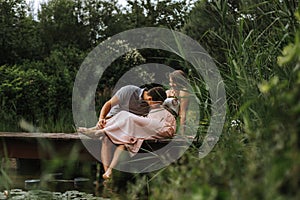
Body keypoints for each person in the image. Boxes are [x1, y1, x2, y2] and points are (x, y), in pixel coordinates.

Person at [80, 87, 177, 179]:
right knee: (124, 136)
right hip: (147, 128)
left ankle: (101, 131)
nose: (148, 104)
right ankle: (108, 172)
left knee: (127, 116)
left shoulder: (165, 113)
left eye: (149, 101)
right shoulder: (150, 108)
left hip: (160, 128)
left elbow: (166, 126)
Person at [166, 70, 190, 134]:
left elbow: (182, 113)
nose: (170, 84)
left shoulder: (183, 93)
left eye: (173, 82)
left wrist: (182, 133)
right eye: (170, 82)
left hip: (170, 122)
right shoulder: (168, 92)